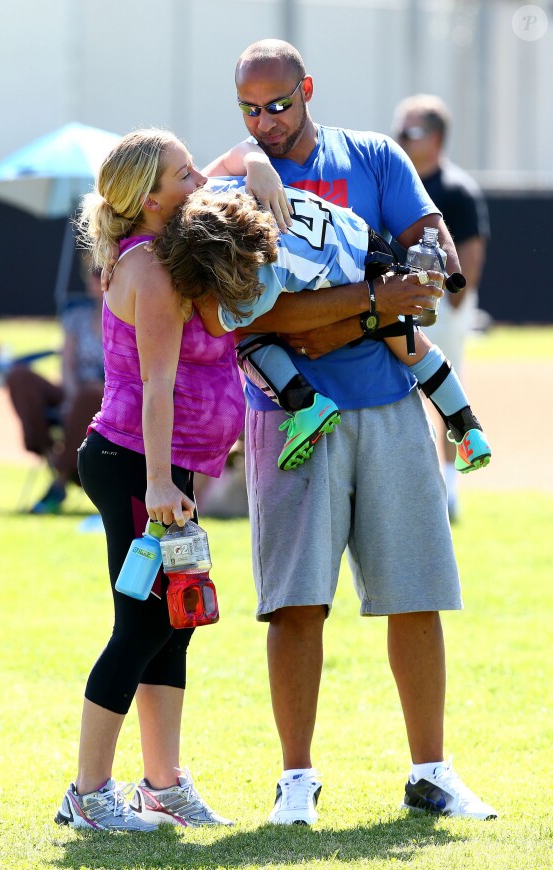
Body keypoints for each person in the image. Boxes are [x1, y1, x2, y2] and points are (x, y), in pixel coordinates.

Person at [203, 39, 498, 824]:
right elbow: (251, 316)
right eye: (250, 109)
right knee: (295, 605)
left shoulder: (372, 155)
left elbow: (432, 266)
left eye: (278, 104)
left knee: (416, 596)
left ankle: (431, 771)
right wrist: (372, 302)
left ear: (308, 89)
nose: (266, 122)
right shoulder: (226, 182)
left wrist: (365, 305)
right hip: (288, 418)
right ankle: (295, 781)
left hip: (391, 405)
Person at [54, 129, 250, 831]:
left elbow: (236, 163)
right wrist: (164, 483)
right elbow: (157, 387)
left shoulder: (164, 256)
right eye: (182, 171)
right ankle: (89, 795)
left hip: (162, 467)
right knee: (139, 628)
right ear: (147, 196)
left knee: (175, 625)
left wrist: (254, 162)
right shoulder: (149, 270)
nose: (198, 178)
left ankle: (162, 786)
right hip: (139, 466)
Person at [156, 184, 491, 476]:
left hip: (351, 281)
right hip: (369, 244)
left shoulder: (261, 268)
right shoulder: (251, 198)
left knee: (246, 335)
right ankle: (467, 427)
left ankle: (305, 405)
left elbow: (218, 325)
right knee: (414, 347)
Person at [391, 94, 490, 520]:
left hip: (442, 304)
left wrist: (456, 298)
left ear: (435, 137)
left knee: (444, 386)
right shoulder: (396, 180)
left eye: (411, 131)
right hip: (396, 299)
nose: (401, 138)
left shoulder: (457, 189)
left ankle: (449, 490)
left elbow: (470, 250)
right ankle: (412, 484)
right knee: (398, 388)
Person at [6, 266, 105, 513]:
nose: (93, 280)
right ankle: (51, 455)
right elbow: (67, 363)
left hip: (106, 398)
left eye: (100, 273)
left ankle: (59, 480)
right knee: (19, 375)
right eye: (92, 273)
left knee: (92, 393)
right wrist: (70, 395)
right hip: (74, 391)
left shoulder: (127, 320)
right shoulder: (78, 316)